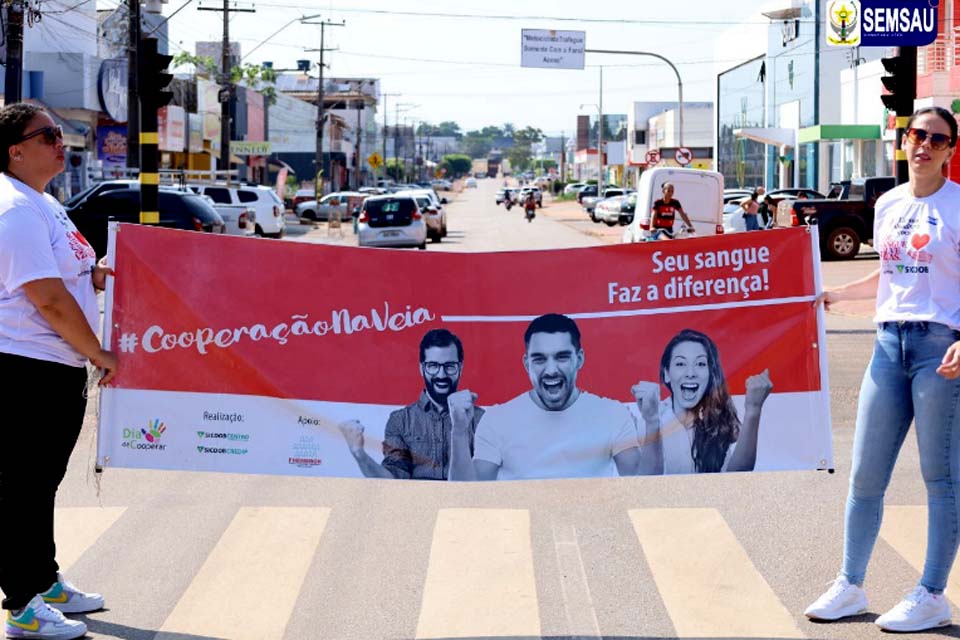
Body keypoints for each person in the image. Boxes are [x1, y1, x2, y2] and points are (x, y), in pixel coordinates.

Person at [804, 106, 960, 633]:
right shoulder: (889, 204)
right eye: (918, 135)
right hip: (887, 345)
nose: (925, 145)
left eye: (937, 139)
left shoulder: (958, 205)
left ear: (950, 149)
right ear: (904, 140)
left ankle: (932, 594)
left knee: (941, 477)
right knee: (865, 473)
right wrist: (837, 294)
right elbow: (890, 273)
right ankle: (850, 584)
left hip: (939, 348)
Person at [0, 103, 117, 640]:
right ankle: (23, 606)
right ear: (15, 151)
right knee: (21, 488)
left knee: (41, 484)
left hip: (53, 366)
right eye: (47, 135)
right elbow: (45, 297)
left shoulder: (43, 202)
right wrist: (98, 353)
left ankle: (44, 582)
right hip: (25, 369)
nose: (59, 142)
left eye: (58, 133)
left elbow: (63, 275)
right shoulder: (14, 209)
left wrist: (93, 276)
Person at [449, 313, 660, 480]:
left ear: (579, 359)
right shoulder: (497, 420)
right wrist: (459, 432)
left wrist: (652, 421)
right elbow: (469, 498)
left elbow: (643, 488)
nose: (551, 370)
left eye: (561, 357)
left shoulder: (612, 414)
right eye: (539, 359)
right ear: (526, 364)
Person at [338, 328, 483, 480]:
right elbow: (393, 480)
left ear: (460, 368)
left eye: (450, 366)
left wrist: (460, 429)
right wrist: (359, 454)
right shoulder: (400, 421)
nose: (441, 375)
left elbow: (485, 480)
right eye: (433, 366)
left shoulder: (481, 420)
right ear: (422, 368)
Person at [632, 329, 772, 474]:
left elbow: (736, 477)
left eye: (700, 364)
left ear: (710, 374)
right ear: (666, 374)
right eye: (680, 364)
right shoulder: (647, 422)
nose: (690, 373)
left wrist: (753, 409)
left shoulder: (719, 422)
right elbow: (643, 481)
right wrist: (652, 422)